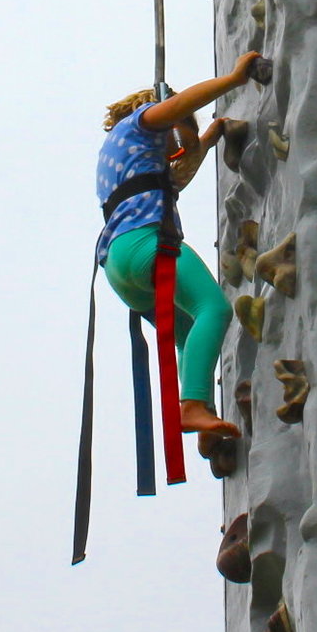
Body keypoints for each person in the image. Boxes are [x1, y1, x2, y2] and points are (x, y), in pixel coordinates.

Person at [94, 52, 261, 454]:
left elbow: (176, 176)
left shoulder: (121, 157)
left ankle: (201, 412)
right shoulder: (141, 121)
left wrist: (206, 138)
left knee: (186, 332)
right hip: (147, 246)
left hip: (120, 268)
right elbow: (182, 105)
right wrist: (235, 79)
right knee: (214, 310)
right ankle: (192, 406)